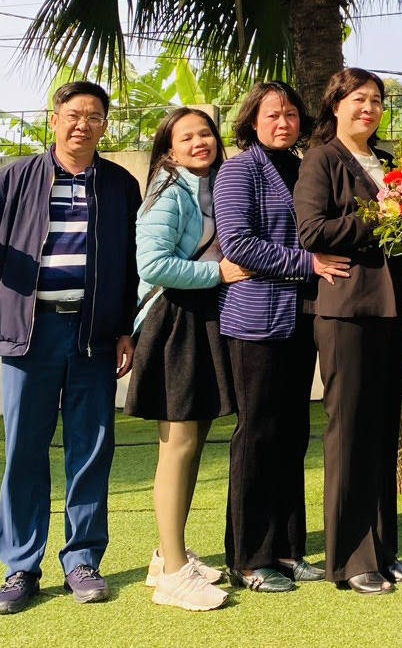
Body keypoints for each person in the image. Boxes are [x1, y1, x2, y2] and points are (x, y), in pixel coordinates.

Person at [0, 82, 141, 615]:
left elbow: (132, 262)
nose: (83, 124)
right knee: (24, 451)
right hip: (30, 334)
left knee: (91, 449)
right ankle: (20, 566)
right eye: (74, 114)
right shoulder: (14, 177)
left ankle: (82, 560)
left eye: (94, 116)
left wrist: (125, 328)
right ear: (53, 120)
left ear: (105, 125)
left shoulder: (120, 185)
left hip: (94, 335)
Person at [215, 82, 350, 593]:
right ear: (252, 121)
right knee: (257, 434)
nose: (283, 122)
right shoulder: (238, 171)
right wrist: (307, 263)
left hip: (301, 320)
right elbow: (238, 243)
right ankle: (249, 558)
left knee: (292, 433)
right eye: (272, 114)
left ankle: (289, 550)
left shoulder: (302, 166)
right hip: (255, 321)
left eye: (291, 114)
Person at [124, 108, 251, 611]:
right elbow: (153, 264)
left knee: (192, 441)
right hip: (171, 320)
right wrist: (219, 273)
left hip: (198, 318)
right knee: (177, 445)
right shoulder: (167, 190)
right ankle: (174, 574)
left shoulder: (210, 184)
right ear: (169, 149)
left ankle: (167, 556)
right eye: (187, 137)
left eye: (206, 133)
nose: (200, 142)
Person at [294, 67, 402, 596]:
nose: (369, 108)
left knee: (382, 430)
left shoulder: (388, 161)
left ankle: (383, 549)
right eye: (359, 99)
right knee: (349, 431)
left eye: (376, 101)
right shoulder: (321, 159)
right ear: (336, 105)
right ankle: (349, 558)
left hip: (390, 306)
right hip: (344, 308)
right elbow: (312, 231)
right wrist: (379, 216)